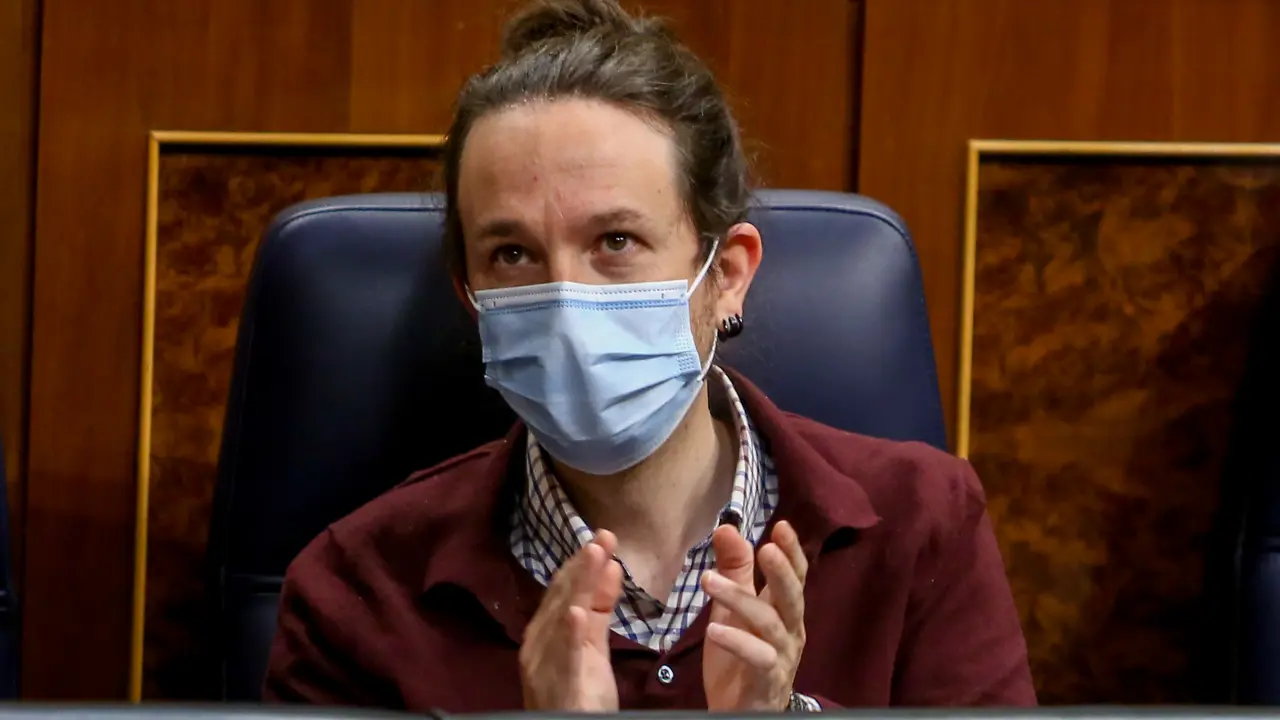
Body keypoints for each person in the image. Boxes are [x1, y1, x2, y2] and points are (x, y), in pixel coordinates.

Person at [262, 0, 1035, 711]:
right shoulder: (355, 591)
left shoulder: (924, 523)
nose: (565, 302)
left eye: (616, 241)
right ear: (471, 295)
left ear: (725, 276)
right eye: (513, 254)